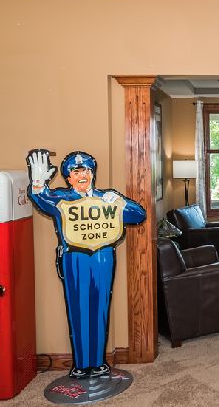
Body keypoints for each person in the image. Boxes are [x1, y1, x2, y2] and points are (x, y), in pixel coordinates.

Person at [26, 149, 146, 380]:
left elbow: (138, 214)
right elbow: (42, 199)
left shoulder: (105, 197)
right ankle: (82, 364)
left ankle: (98, 362)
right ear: (68, 177)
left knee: (100, 308)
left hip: (103, 256)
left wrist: (119, 201)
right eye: (76, 171)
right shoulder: (62, 199)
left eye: (86, 170)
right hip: (75, 258)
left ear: (92, 173)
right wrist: (38, 184)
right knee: (79, 308)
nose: (82, 175)